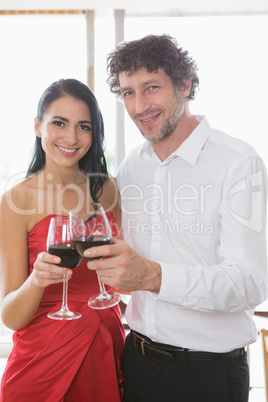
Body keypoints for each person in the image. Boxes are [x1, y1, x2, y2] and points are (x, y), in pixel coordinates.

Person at [83, 34, 268, 402]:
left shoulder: (238, 162)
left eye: (151, 87)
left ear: (185, 84)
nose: (139, 106)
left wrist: (152, 276)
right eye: (128, 93)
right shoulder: (132, 165)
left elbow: (250, 283)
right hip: (136, 361)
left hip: (206, 374)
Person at [0, 78, 125, 401]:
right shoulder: (16, 201)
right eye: (59, 123)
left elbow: (123, 282)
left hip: (106, 346)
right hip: (42, 359)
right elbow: (11, 316)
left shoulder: (108, 189)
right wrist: (36, 281)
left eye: (83, 126)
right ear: (38, 126)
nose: (71, 137)